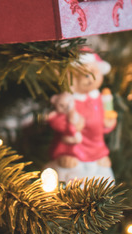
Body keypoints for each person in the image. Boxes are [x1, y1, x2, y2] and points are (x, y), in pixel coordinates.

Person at [46, 49, 117, 183]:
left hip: (96, 144)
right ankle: (67, 157)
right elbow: (56, 120)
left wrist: (109, 123)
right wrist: (70, 125)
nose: (90, 79)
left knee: (99, 153)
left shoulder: (100, 98)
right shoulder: (69, 101)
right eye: (84, 75)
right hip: (74, 146)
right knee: (70, 155)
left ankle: (99, 157)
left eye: (93, 73)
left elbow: (106, 119)